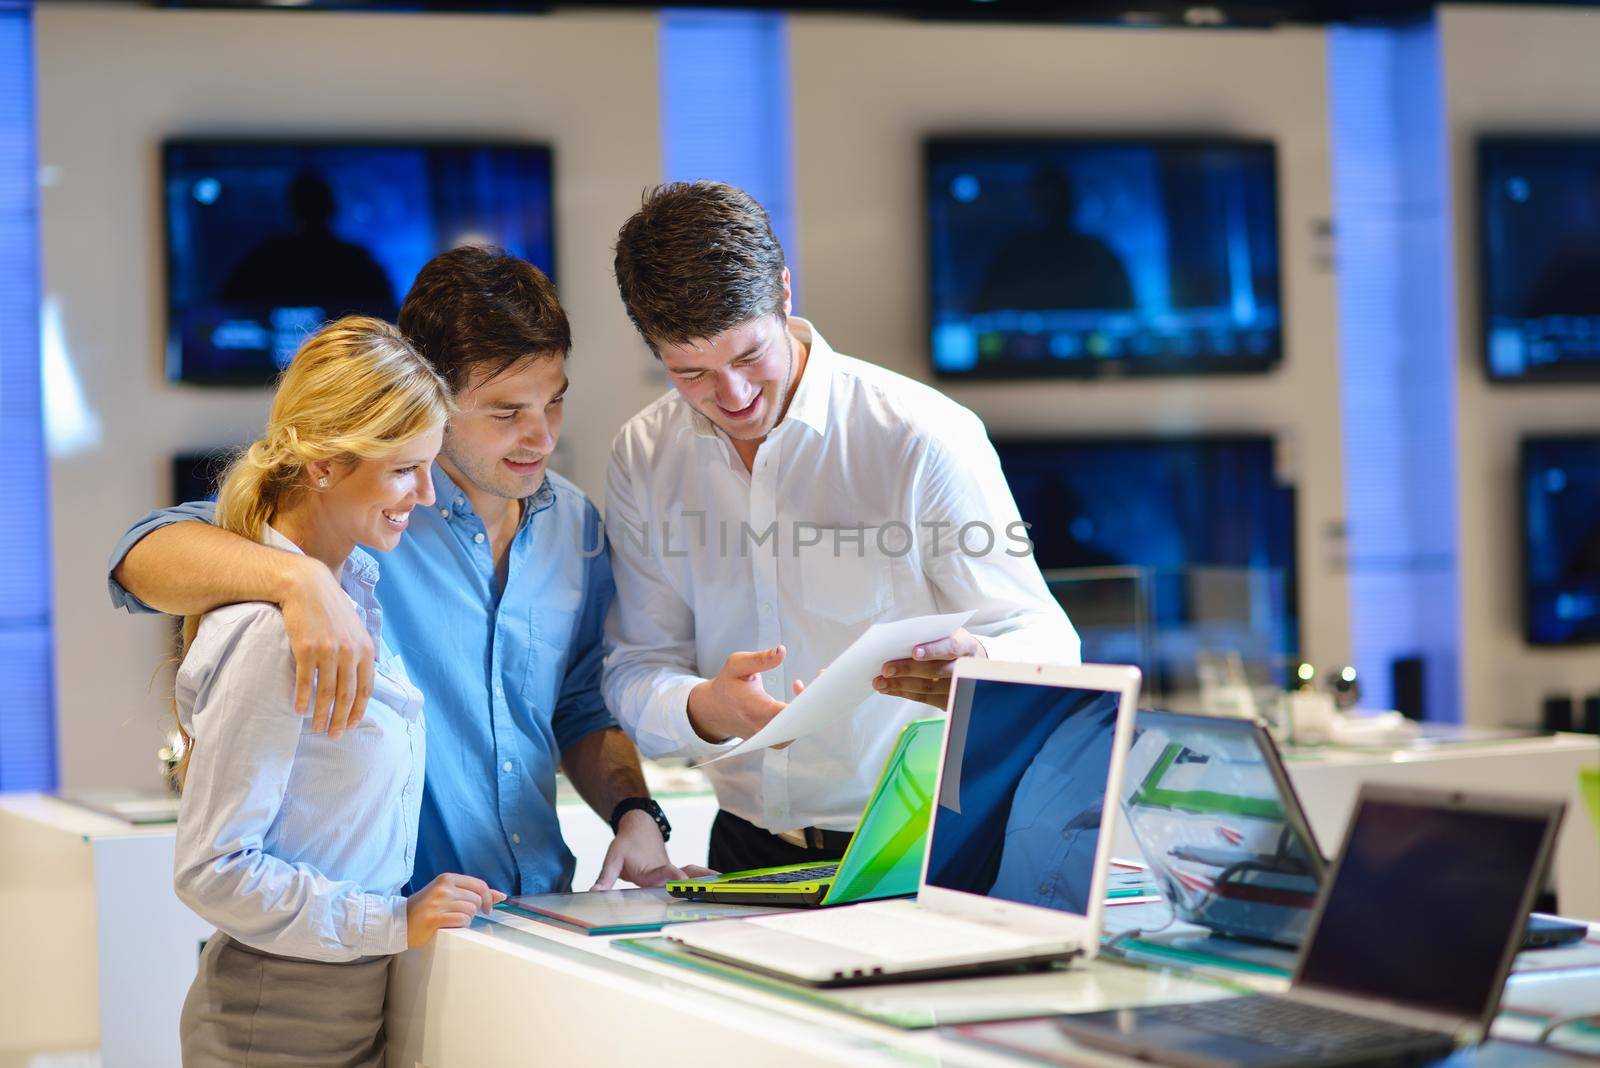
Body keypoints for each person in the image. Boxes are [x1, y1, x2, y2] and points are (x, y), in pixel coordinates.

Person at [111, 246, 704, 895]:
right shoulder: (367, 515)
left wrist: (635, 812)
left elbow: (581, 706)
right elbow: (142, 555)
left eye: (553, 404)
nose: (542, 438)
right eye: (507, 413)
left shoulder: (575, 522)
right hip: (391, 930)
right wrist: (298, 580)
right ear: (433, 400)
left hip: (541, 908)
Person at [604, 181, 1081, 874]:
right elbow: (636, 667)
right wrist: (706, 706)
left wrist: (978, 668)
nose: (732, 397)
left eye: (747, 357)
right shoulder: (644, 454)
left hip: (917, 846)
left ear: (785, 294)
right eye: (691, 372)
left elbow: (1049, 644)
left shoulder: (921, 435)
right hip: (742, 850)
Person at [172, 316, 500, 1066]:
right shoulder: (271, 633)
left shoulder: (353, 596)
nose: (424, 494)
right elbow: (211, 870)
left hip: (347, 1000)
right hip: (277, 1016)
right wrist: (390, 921)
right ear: (323, 466)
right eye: (403, 470)